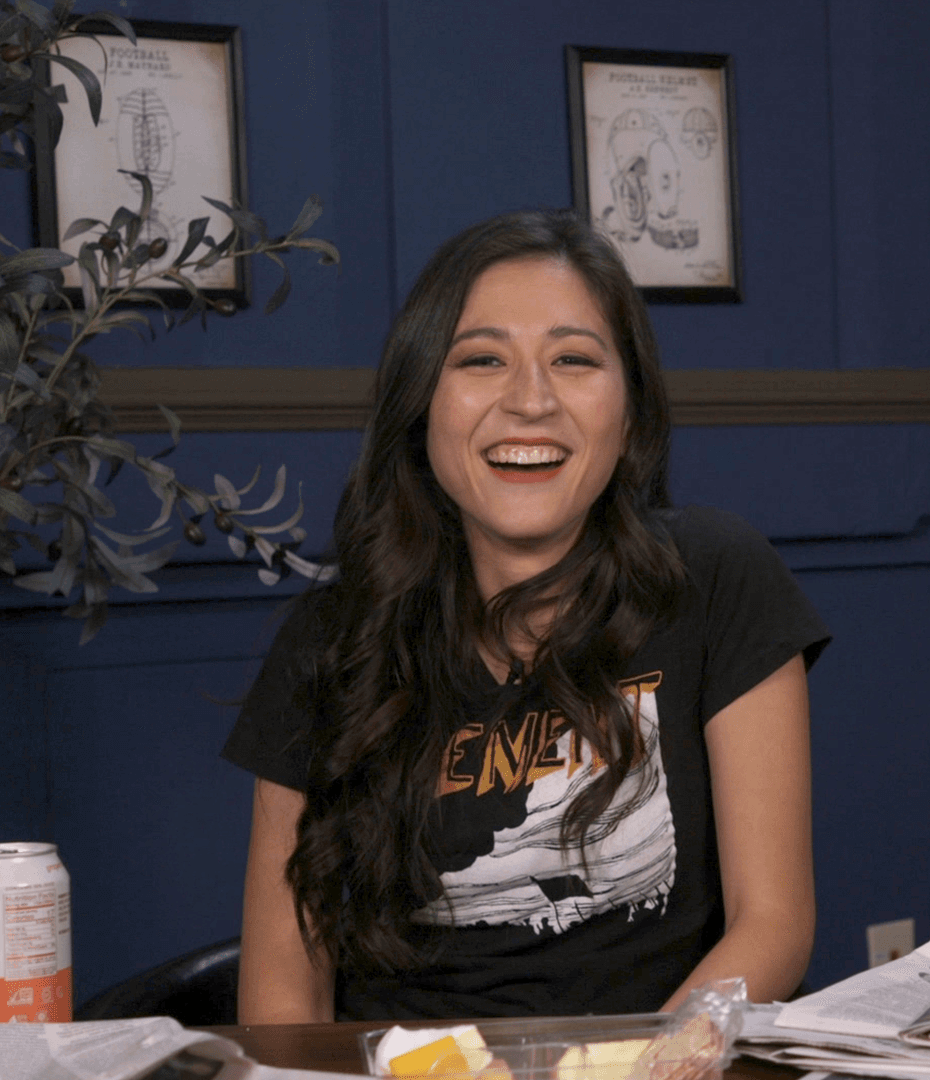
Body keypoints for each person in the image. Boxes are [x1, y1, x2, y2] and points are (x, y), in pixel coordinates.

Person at [224, 210, 829, 1021]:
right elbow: (282, 997)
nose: (531, 401)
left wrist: (645, 1067)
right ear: (422, 403)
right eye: (483, 359)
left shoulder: (718, 577)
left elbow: (774, 925)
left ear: (630, 408)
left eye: (573, 360)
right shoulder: (333, 638)